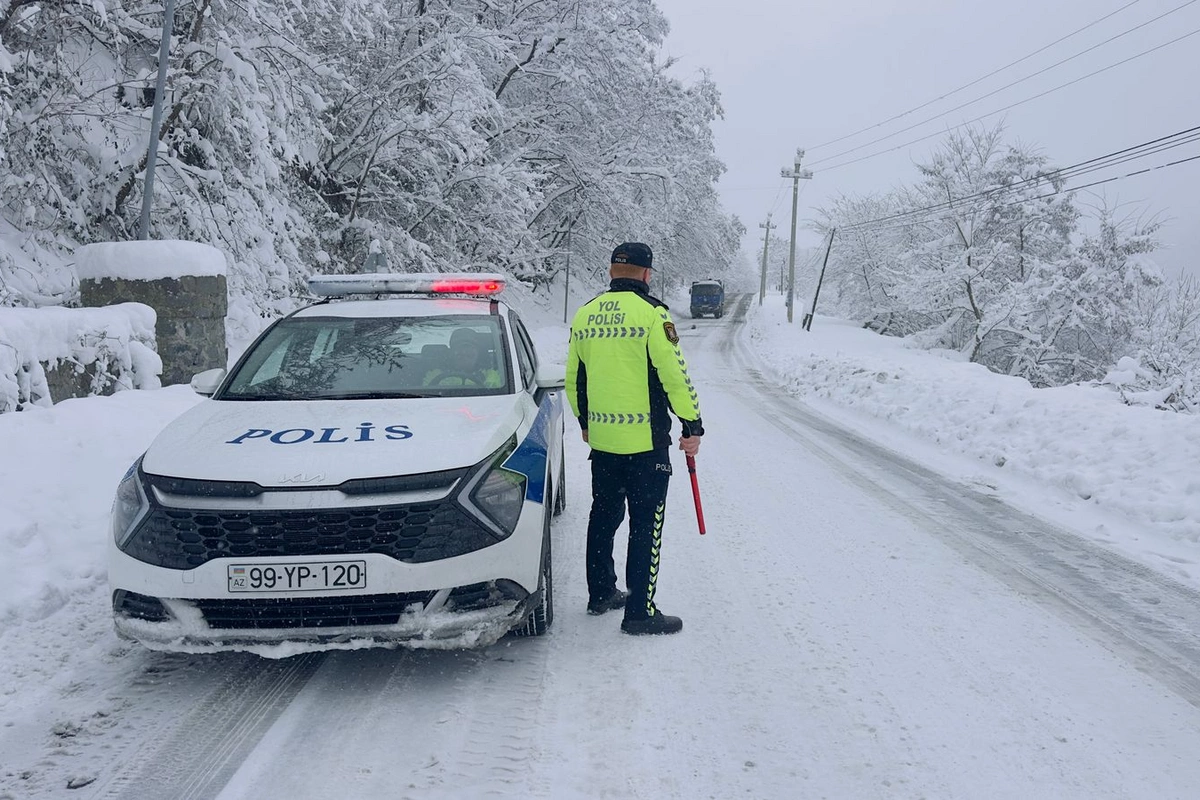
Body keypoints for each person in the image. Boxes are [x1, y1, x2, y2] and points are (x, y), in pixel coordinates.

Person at [565, 242, 704, 636]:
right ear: (647, 274)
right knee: (646, 525)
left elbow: (575, 378)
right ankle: (640, 612)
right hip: (646, 446)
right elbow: (674, 375)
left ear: (611, 272)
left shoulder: (586, 313)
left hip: (604, 443)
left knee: (603, 516)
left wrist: (586, 423)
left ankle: (602, 593)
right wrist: (692, 424)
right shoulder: (653, 314)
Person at [423, 327, 502, 388]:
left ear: (478, 352)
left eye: (469, 348)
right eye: (459, 348)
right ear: (451, 352)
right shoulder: (436, 375)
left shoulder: (490, 376)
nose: (464, 352)